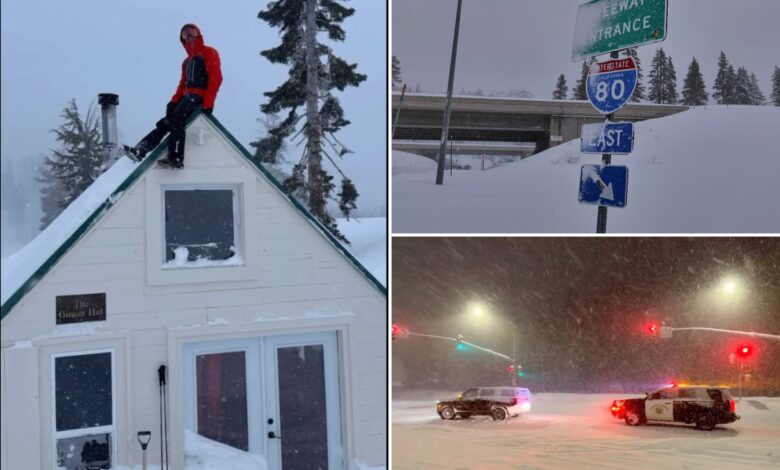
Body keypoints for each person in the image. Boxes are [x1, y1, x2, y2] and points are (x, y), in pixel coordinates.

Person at [125, 23, 222, 168]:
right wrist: (173, 101)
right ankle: (141, 150)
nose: (189, 37)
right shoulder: (186, 62)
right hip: (187, 97)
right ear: (182, 39)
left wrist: (208, 103)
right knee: (166, 122)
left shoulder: (209, 52)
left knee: (177, 119)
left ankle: (176, 158)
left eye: (192, 32)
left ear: (199, 34)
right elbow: (182, 84)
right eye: (185, 34)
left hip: (199, 95)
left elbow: (216, 78)